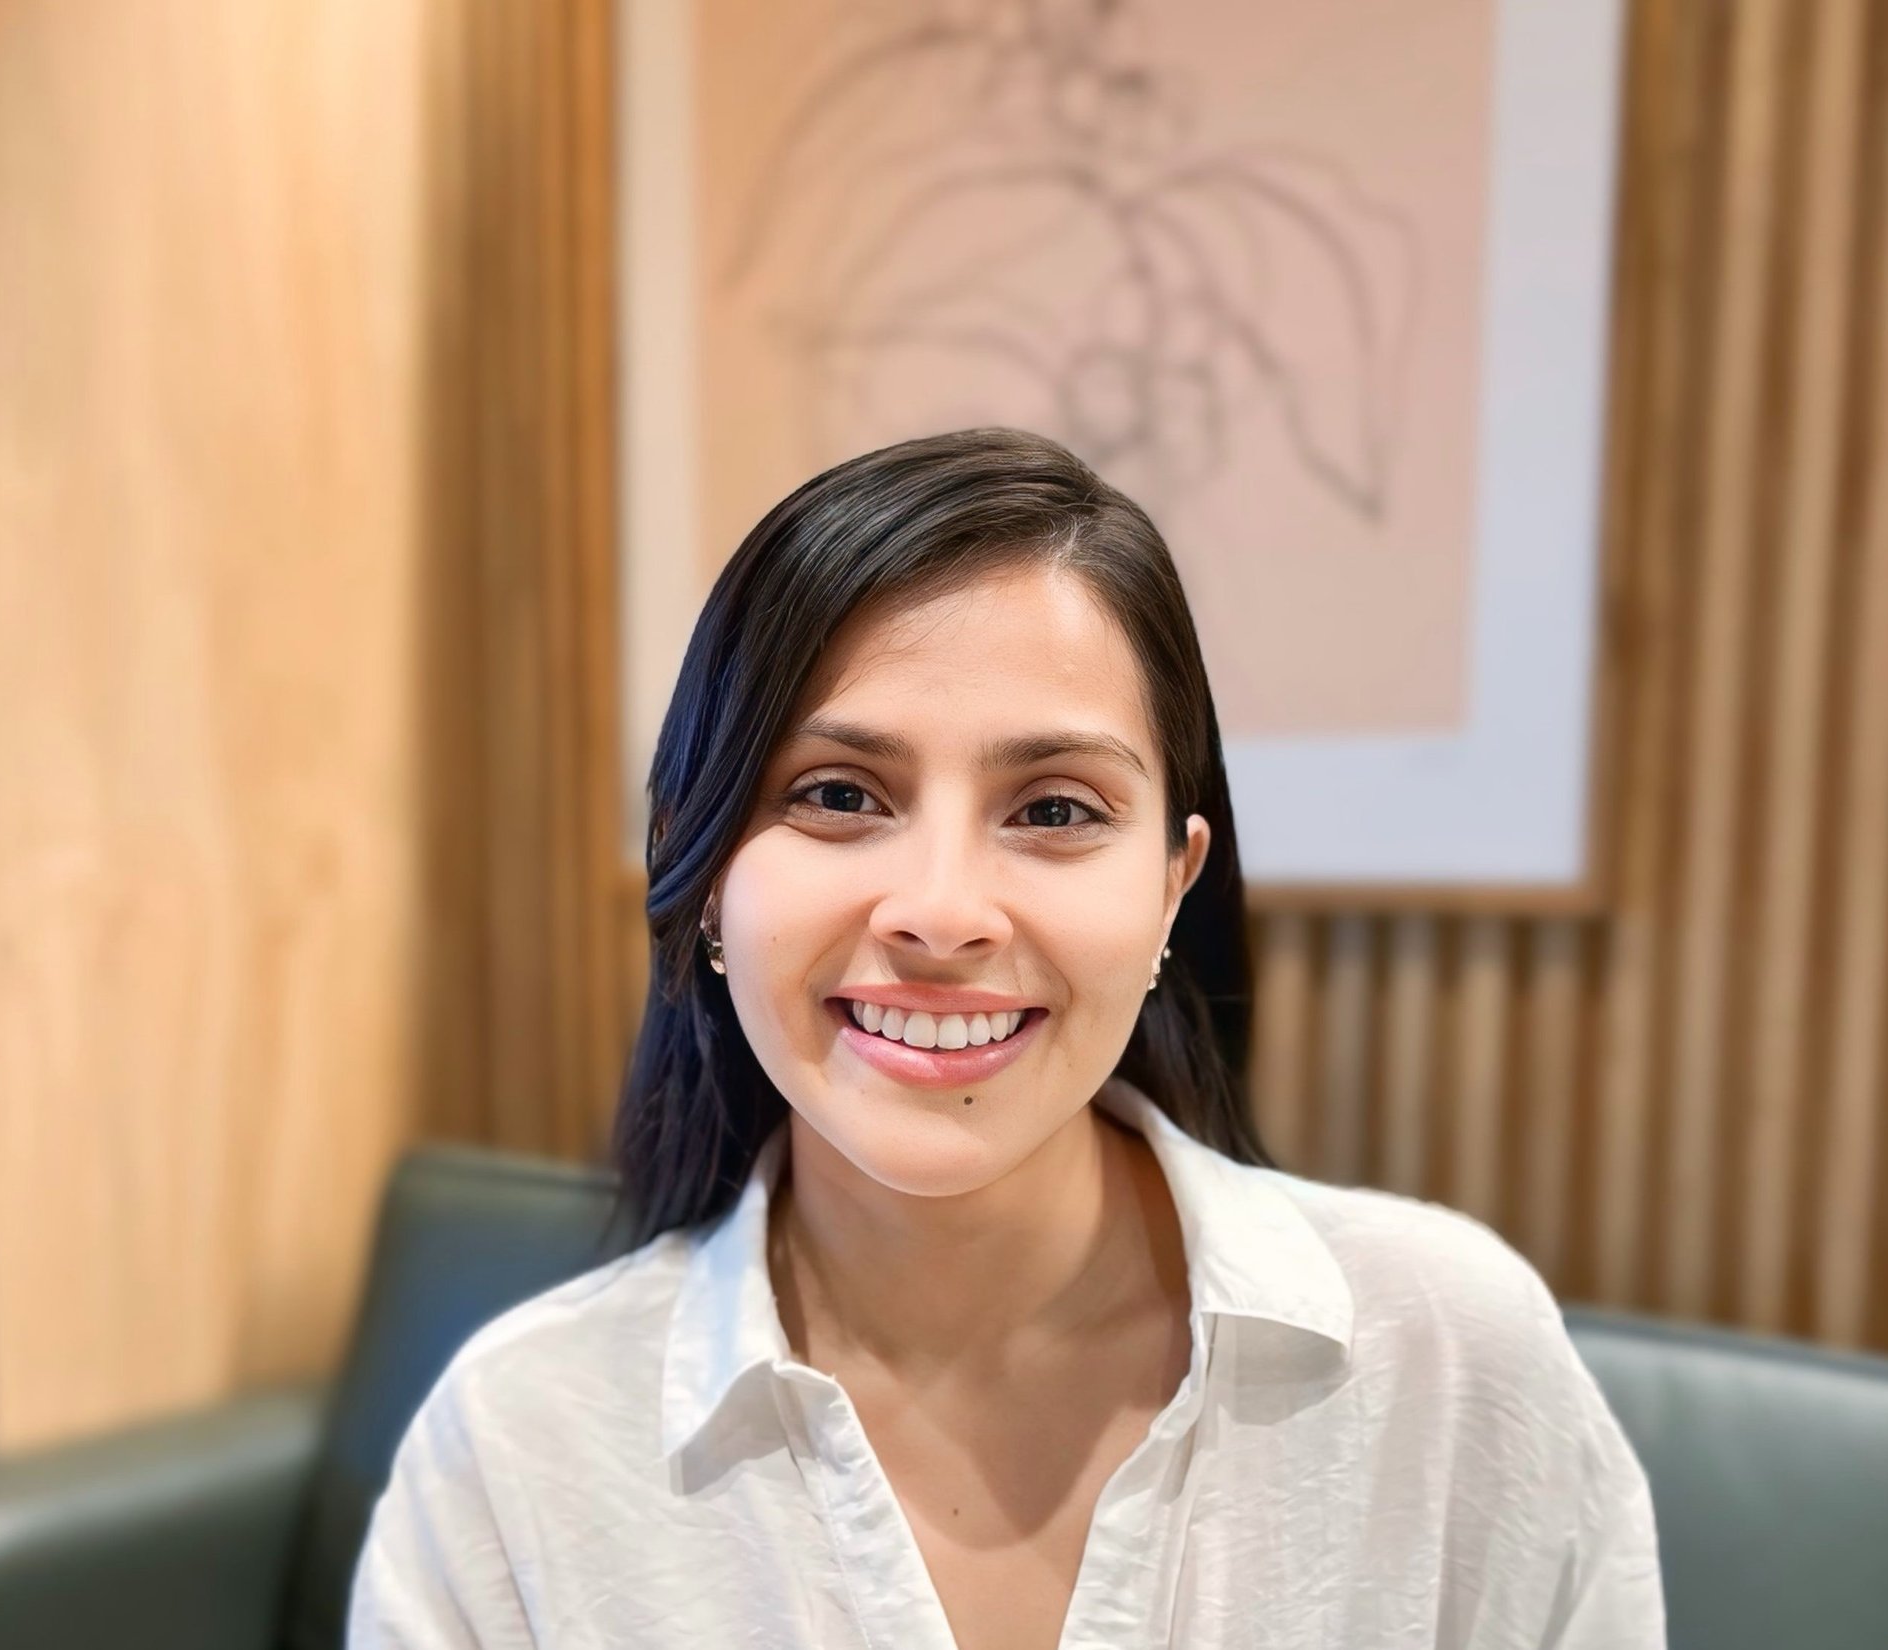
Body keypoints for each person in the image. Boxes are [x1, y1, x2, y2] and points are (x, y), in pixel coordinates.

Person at [348, 427, 1666, 1648]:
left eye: (1053, 810)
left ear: (1173, 884)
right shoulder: (517, 1453)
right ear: (699, 876)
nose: (941, 912)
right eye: (838, 793)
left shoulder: (1450, 1362)